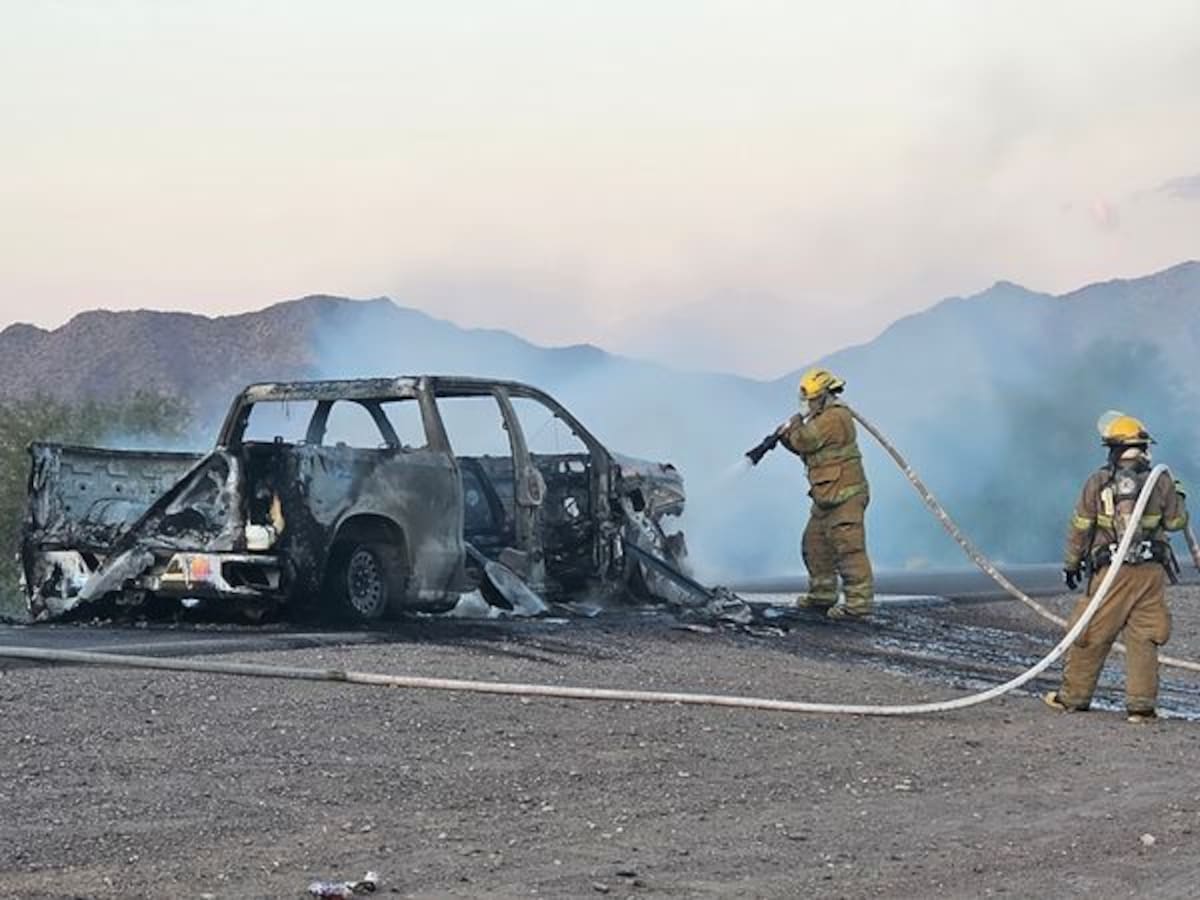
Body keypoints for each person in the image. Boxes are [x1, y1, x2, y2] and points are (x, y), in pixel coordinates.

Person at [1044, 412, 1189, 723]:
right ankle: (1141, 707)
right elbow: (1176, 522)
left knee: (1091, 632)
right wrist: (1178, 492)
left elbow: (1081, 526)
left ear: (1112, 449)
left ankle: (1074, 697)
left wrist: (1072, 563)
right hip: (1151, 573)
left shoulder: (1098, 481)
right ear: (1144, 448)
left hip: (1112, 573)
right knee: (1145, 637)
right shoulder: (1161, 481)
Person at [777, 368, 874, 620]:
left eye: (810, 399)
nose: (806, 404)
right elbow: (806, 449)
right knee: (814, 545)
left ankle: (858, 606)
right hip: (826, 496)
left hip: (845, 495)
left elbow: (804, 441)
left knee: (848, 550)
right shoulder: (822, 418)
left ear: (822, 396)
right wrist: (784, 437)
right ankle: (822, 595)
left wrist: (793, 425)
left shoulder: (835, 418)